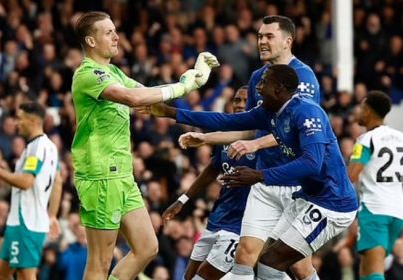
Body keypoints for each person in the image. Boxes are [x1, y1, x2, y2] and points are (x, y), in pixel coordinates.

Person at [151, 15, 320, 279]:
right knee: (247, 256)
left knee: (297, 265)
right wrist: (206, 137)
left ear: (288, 41)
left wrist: (254, 143)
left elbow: (294, 130)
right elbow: (249, 124)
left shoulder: (303, 77)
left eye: (269, 36)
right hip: (264, 185)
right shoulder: (257, 78)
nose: (262, 41)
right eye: (260, 36)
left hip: (294, 182)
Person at [70, 11, 219, 280]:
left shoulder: (112, 71)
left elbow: (148, 96)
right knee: (99, 264)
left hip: (122, 175)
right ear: (91, 41)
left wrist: (193, 78)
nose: (117, 37)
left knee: (147, 247)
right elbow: (131, 97)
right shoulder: (87, 74)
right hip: (100, 176)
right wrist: (181, 86)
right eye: (108, 32)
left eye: (115, 30)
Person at [162, 86, 256, 280]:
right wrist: (182, 199)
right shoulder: (223, 136)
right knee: (189, 276)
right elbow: (212, 169)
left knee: (206, 276)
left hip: (242, 224)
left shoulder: (262, 138)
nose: (239, 104)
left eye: (244, 100)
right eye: (236, 100)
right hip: (217, 218)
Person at [0, 102, 62, 280]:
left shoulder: (37, 148)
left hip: (27, 222)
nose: (17, 123)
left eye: (20, 119)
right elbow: (58, 181)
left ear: (33, 120)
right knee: (1, 273)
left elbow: (26, 182)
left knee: (26, 275)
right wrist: (52, 215)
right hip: (19, 222)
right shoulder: (48, 147)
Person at [348, 90, 403, 280]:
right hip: (397, 212)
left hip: (374, 210)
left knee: (374, 271)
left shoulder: (366, 139)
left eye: (361, 108)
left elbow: (352, 175)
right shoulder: (401, 137)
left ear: (368, 112)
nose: (357, 113)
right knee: (366, 269)